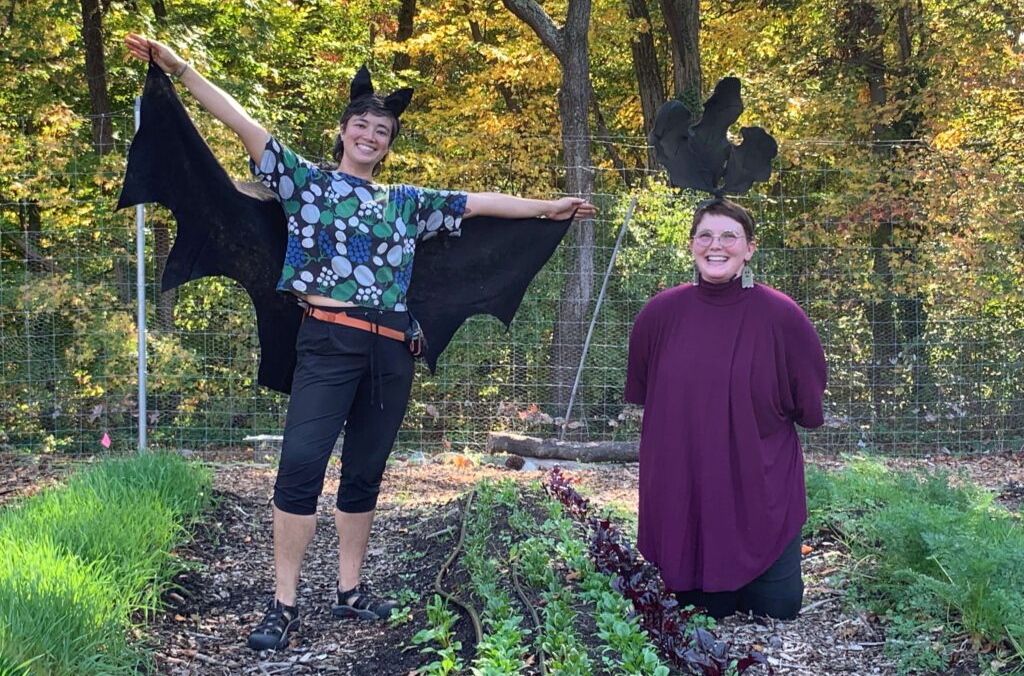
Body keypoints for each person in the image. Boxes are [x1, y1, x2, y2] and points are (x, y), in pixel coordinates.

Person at [124, 33, 596, 650]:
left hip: (392, 350)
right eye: (363, 126)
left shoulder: (406, 203)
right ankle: (283, 603)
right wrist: (179, 66)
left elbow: (478, 204)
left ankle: (350, 592)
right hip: (326, 342)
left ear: (388, 145)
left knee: (365, 472)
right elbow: (241, 121)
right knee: (298, 468)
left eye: (383, 132)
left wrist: (545, 208)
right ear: (344, 131)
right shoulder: (303, 183)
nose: (372, 136)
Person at [624, 198, 826, 620]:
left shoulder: (783, 317)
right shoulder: (659, 315)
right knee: (701, 610)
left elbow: (809, 402)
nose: (717, 246)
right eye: (706, 236)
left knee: (779, 609)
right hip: (687, 486)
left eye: (729, 236)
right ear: (692, 245)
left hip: (760, 486)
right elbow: (647, 393)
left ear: (750, 248)